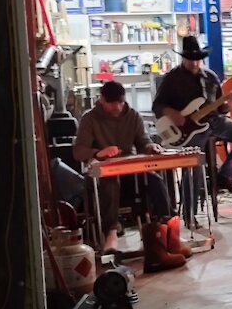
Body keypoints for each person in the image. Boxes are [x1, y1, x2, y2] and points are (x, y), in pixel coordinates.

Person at [73, 81, 175, 254]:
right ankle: (111, 234)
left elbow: (143, 141)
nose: (118, 107)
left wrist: (151, 147)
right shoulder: (89, 118)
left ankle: (169, 228)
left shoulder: (133, 115)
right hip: (103, 175)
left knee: (155, 180)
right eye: (112, 103)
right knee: (110, 184)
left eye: (120, 102)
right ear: (102, 100)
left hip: (130, 172)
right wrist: (98, 152)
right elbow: (78, 151)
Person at [153, 35, 232, 199]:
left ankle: (227, 175)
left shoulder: (210, 77)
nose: (195, 63)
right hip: (188, 130)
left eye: (198, 60)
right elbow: (157, 106)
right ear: (183, 58)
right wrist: (172, 114)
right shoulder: (172, 78)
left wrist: (228, 105)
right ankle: (191, 214)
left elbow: (221, 109)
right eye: (190, 60)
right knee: (194, 165)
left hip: (214, 121)